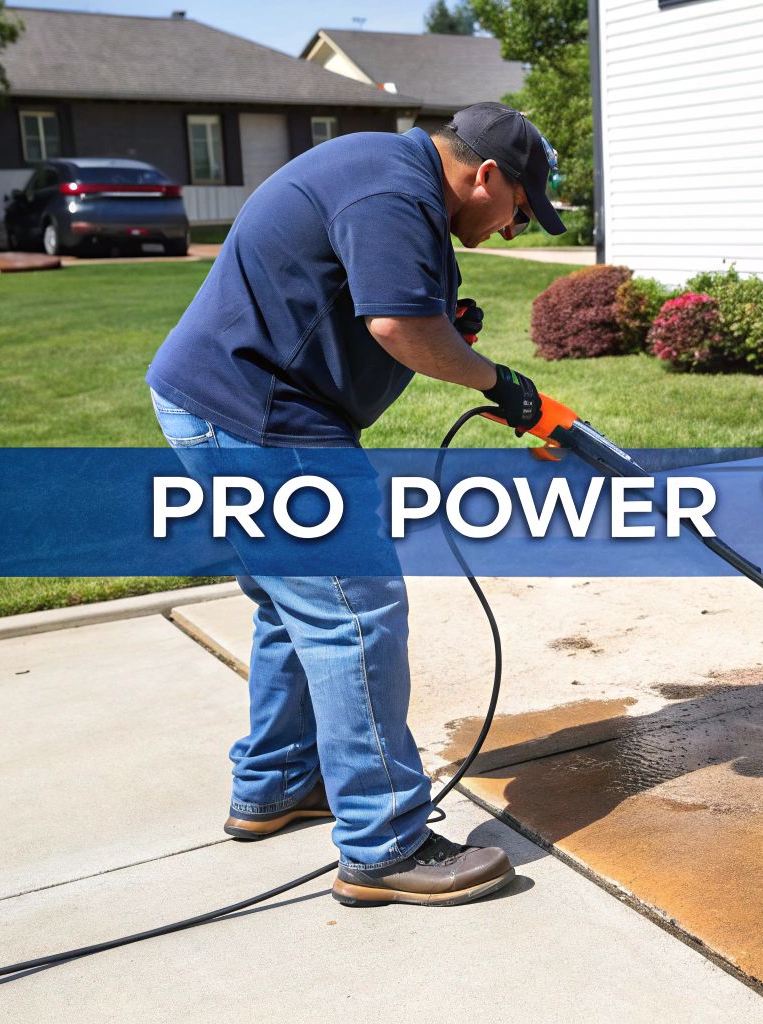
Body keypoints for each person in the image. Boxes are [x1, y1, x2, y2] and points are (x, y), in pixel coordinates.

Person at [144, 102, 566, 907]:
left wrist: (449, 323)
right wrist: (497, 381)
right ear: (484, 176)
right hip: (261, 419)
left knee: (289, 607)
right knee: (353, 614)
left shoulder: (385, 171)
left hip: (219, 403)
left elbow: (374, 303)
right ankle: (384, 843)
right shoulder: (391, 193)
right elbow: (400, 327)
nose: (517, 229)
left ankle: (278, 783)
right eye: (520, 208)